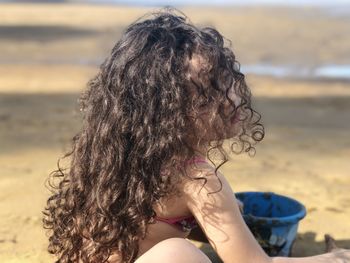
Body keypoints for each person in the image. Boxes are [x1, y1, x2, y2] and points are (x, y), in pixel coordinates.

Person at [42, 7, 350, 263]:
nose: (231, 99)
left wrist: (216, 218)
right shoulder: (198, 178)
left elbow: (148, 224)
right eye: (207, 97)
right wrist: (329, 259)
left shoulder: (118, 156)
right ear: (166, 114)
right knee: (181, 255)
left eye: (228, 82)